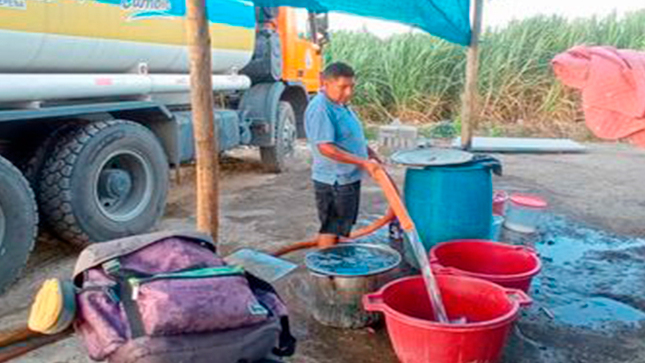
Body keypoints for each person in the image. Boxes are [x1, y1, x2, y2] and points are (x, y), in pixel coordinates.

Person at [305, 62, 382, 248]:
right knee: (331, 228)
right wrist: (363, 162)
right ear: (326, 84)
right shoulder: (321, 108)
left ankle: (339, 263)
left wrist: (369, 153)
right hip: (334, 181)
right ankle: (327, 272)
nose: (348, 92)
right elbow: (326, 148)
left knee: (341, 226)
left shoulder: (339, 104)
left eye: (351, 87)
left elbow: (348, 136)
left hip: (347, 178)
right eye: (343, 87)